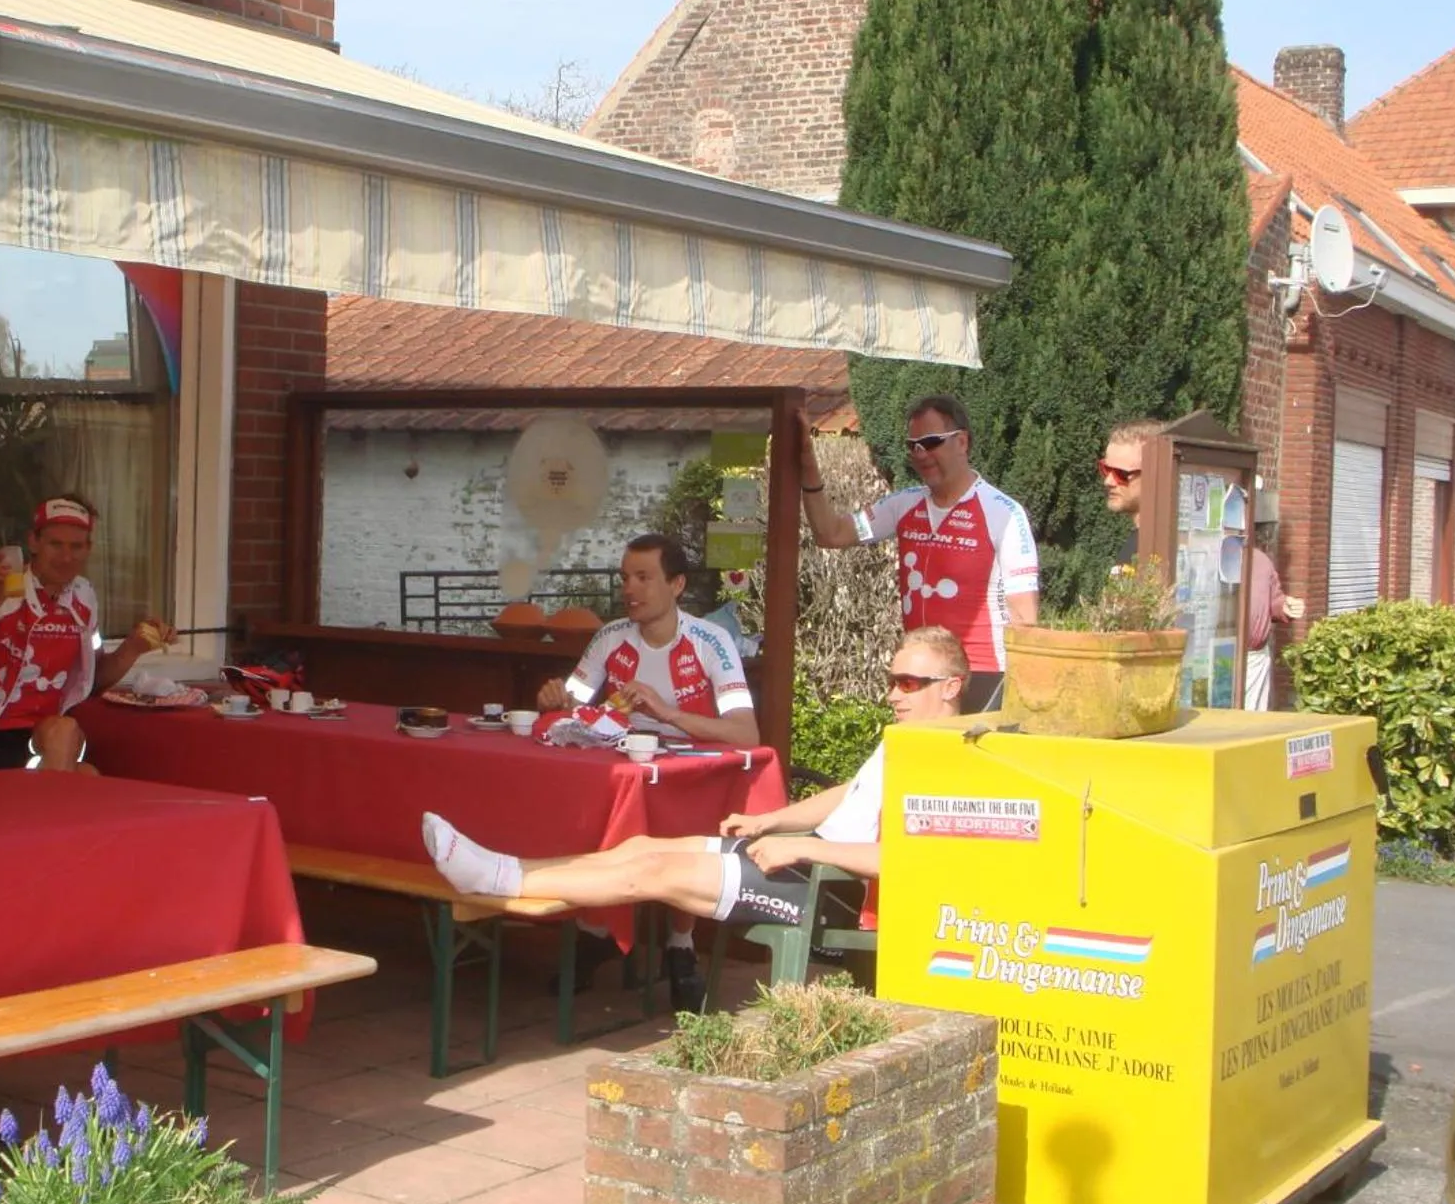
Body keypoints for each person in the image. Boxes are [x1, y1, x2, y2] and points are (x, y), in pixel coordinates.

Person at [426, 628, 969, 969]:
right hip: (806, 858)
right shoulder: (908, 739)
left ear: (951, 687)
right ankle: (503, 868)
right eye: (891, 680)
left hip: (833, 889)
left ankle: (498, 879)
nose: (892, 694)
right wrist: (769, 821)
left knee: (654, 872)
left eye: (908, 683)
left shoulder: (952, 762)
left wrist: (802, 848)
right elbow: (853, 795)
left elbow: (909, 859)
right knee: (639, 846)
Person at [531, 533, 761, 1013]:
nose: (629, 589)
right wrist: (555, 700)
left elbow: (746, 732)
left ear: (676, 585)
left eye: (643, 578)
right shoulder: (610, 637)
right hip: (627, 767)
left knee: (683, 829)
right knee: (586, 812)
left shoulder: (711, 641)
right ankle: (597, 930)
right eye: (625, 578)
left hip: (694, 775)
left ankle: (681, 946)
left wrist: (668, 713)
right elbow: (574, 706)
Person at [794, 396, 1038, 712]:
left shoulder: (1003, 513)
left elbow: (1025, 620)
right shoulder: (904, 505)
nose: (921, 454)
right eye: (913, 446)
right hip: (922, 674)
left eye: (931, 442)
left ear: (962, 442)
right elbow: (831, 533)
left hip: (984, 674)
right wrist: (807, 463)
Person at [0, 494, 173, 774]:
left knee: (84, 768)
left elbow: (92, 681)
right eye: (55, 544)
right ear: (34, 542)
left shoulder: (84, 595)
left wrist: (133, 647)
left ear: (89, 549)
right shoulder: (1, 587)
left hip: (41, 739)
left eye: (76, 546)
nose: (66, 557)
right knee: (70, 746)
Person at [1244, 533, 1304, 711]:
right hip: (1223, 656)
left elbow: (1273, 599)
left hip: (1255, 659)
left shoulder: (1260, 561)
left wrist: (1284, 607)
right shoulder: (1217, 558)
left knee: (1253, 719)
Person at [1100, 418, 1162, 568]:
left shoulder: (1159, 549)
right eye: (1106, 469)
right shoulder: (1139, 542)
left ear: (1155, 474)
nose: (1108, 481)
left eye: (1121, 473)